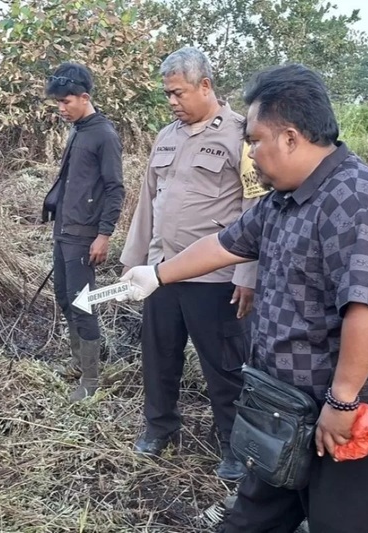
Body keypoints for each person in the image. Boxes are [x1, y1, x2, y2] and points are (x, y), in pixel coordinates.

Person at [119, 63, 368, 533]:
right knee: (250, 519)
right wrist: (157, 275)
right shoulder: (284, 198)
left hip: (361, 409)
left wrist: (342, 403)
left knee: (345, 523)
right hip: (290, 404)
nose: (251, 154)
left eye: (256, 141)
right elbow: (226, 243)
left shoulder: (359, 200)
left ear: (290, 137)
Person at [119, 46, 267, 481]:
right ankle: (159, 429)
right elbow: (148, 201)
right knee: (158, 357)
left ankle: (234, 448)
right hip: (160, 273)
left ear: (206, 86)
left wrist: (248, 276)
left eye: (178, 93)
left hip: (215, 278)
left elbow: (254, 207)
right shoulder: (166, 137)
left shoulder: (242, 136)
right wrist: (133, 262)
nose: (172, 102)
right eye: (167, 94)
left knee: (223, 367)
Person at [41, 62, 124, 401]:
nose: (61, 109)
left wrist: (104, 234)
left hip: (84, 235)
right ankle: (78, 362)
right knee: (64, 298)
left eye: (66, 102)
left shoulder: (104, 134)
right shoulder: (78, 130)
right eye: (57, 103)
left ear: (85, 97)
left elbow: (116, 188)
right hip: (64, 231)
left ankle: (91, 380)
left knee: (83, 304)